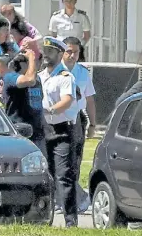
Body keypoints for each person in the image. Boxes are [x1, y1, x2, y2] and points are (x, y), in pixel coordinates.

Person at [38, 36, 79, 227]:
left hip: (62, 131)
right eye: (45, 52)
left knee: (63, 176)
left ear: (60, 54)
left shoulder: (65, 77)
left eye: (50, 52)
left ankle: (70, 221)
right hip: (43, 129)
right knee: (46, 176)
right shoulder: (40, 76)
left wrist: (51, 110)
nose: (46, 56)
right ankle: (46, 218)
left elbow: (67, 100)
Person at [58, 36, 96, 214]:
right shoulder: (54, 71)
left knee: (76, 161)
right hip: (58, 119)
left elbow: (89, 100)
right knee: (59, 161)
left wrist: (93, 124)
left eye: (76, 52)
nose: (72, 55)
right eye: (69, 51)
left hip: (77, 119)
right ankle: (61, 200)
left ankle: (72, 200)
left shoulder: (83, 72)